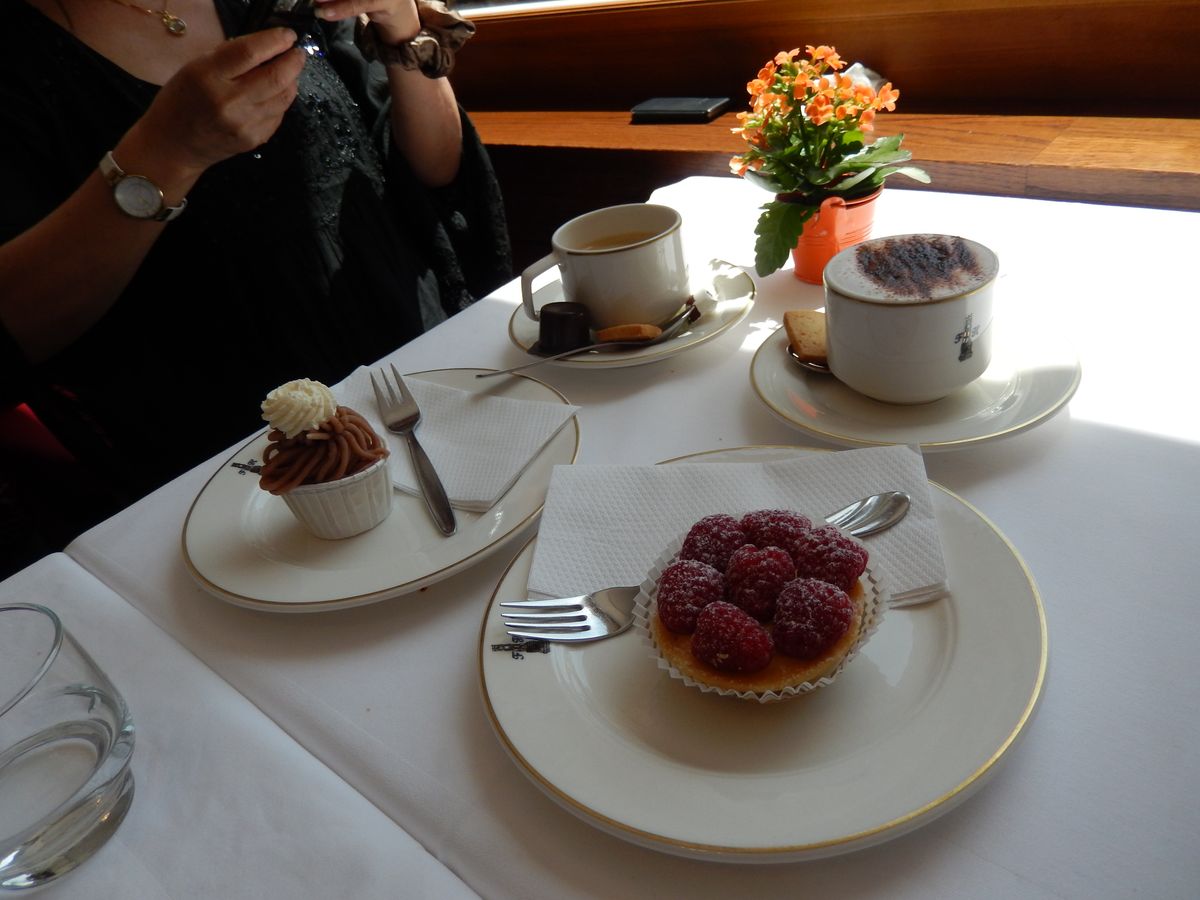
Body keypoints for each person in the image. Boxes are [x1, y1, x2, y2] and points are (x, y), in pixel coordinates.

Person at [0, 0, 511, 540]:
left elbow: (436, 172)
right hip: (235, 463)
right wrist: (165, 154)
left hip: (412, 376)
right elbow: (20, 324)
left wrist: (401, 28)